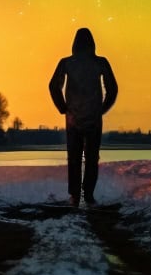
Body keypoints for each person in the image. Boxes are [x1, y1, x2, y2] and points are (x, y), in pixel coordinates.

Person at [48, 27, 118, 208]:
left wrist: (63, 108)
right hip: (93, 118)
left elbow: (53, 86)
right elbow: (112, 89)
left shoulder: (67, 63)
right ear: (92, 44)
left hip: (74, 118)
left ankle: (75, 196)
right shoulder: (100, 62)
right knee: (92, 158)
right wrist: (103, 108)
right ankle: (88, 195)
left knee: (74, 158)